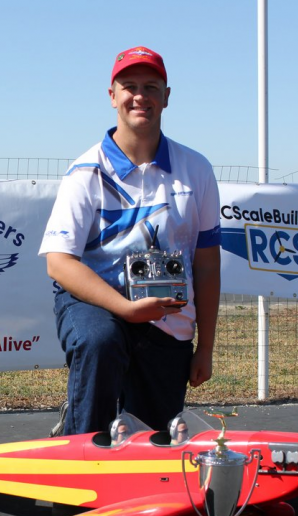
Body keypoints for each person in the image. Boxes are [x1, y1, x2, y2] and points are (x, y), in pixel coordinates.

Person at [39, 46, 221, 437]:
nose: (140, 96)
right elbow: (59, 263)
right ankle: (78, 450)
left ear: (166, 97)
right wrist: (125, 308)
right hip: (96, 305)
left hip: (168, 320)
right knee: (100, 342)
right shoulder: (86, 171)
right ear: (112, 96)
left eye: (151, 87)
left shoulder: (197, 169)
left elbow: (207, 264)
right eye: (130, 87)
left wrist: (205, 347)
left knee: (153, 439)